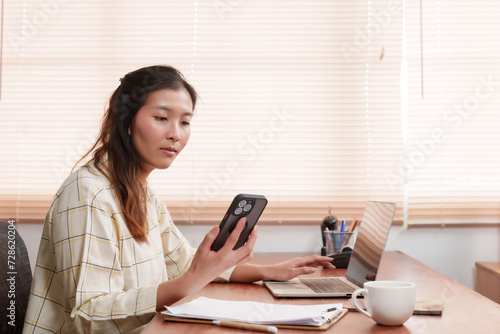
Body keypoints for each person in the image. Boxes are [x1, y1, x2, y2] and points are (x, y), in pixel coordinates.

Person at [23, 65, 334, 334]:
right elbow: (88, 314)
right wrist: (193, 279)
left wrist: (270, 271)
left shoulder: (142, 194)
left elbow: (184, 263)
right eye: (161, 118)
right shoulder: (88, 194)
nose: (176, 133)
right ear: (126, 122)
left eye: (185, 122)